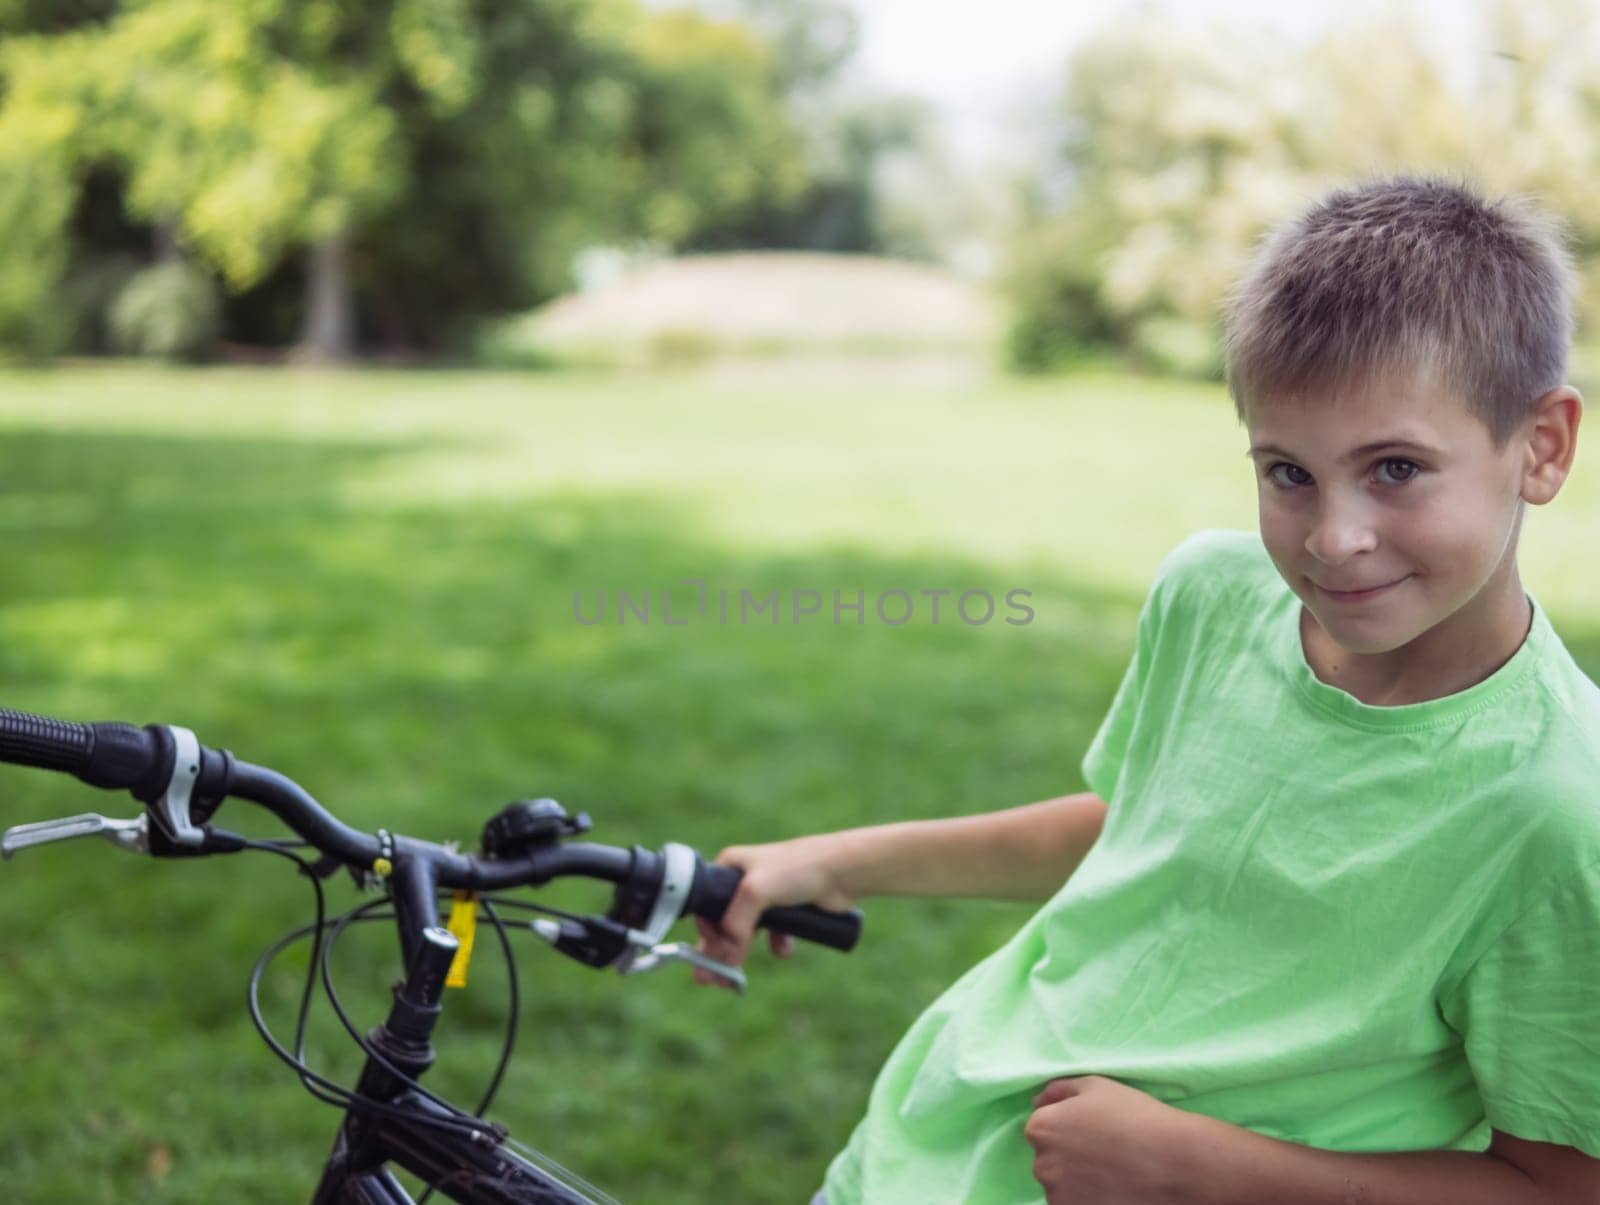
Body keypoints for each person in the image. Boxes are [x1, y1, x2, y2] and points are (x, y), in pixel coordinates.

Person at [695, 176, 1600, 1205]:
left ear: (1541, 447)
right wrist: (839, 858)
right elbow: (1142, 830)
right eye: (1286, 472)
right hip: (926, 1153)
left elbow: (1559, 1186)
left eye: (1394, 467)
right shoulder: (1212, 596)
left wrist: (1196, 1166)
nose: (1332, 538)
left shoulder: (1558, 808)